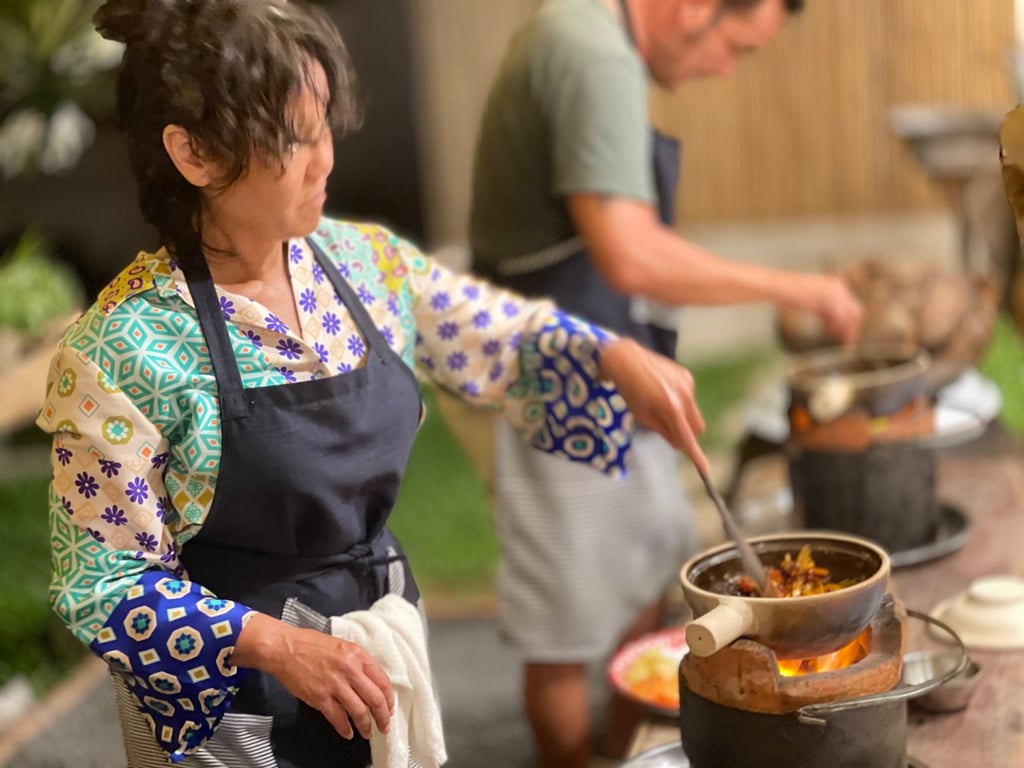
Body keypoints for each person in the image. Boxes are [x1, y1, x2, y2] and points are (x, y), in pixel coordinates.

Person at [36, 0, 711, 766]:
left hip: (370, 660)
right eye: (294, 138)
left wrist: (611, 356)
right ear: (194, 154)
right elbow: (105, 583)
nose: (326, 160)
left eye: (325, 126)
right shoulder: (123, 350)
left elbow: (489, 330)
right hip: (229, 708)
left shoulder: (363, 264)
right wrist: (280, 647)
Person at [468, 0, 865, 765]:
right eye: (737, 49)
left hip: (619, 370)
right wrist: (796, 288)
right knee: (567, 625)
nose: (723, 70)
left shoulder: (596, 38)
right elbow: (631, 255)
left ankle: (628, 753)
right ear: (693, 8)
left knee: (655, 585)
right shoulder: (592, 53)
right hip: (559, 392)